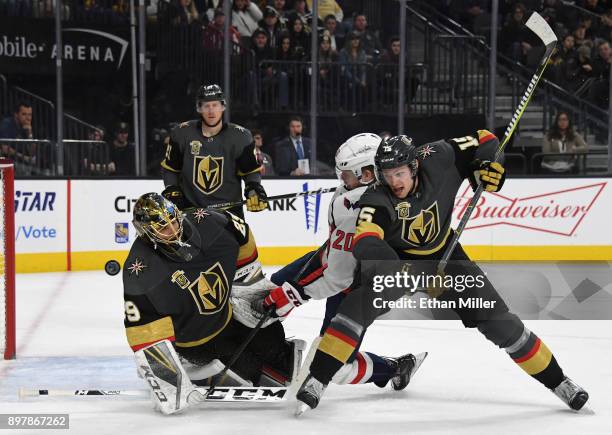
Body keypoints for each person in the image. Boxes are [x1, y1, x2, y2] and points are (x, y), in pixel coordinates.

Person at [292, 132, 589, 414]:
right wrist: (392, 268)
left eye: (399, 173)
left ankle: (559, 382)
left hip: (448, 259)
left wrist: (489, 166)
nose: (393, 181)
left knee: (502, 325)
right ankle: (318, 379)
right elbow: (366, 240)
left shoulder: (440, 156)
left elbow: (486, 139)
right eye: (387, 174)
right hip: (401, 263)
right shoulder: (376, 197)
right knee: (354, 308)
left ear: (414, 166)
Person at [261, 134, 427, 416]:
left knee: (337, 366)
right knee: (268, 291)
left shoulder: (367, 208)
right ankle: (266, 356)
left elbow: (338, 277)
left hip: (354, 287)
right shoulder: (357, 194)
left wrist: (292, 294)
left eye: (346, 175)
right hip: (334, 259)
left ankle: (395, 367)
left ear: (367, 173)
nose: (342, 180)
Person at [123, 193, 304, 414]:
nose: (173, 229)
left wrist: (247, 285)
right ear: (146, 233)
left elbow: (243, 236)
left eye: (173, 219)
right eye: (163, 227)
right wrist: (170, 382)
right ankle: (195, 368)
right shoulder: (141, 270)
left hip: (228, 317)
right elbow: (144, 334)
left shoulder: (210, 222)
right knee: (248, 368)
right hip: (195, 342)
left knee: (273, 338)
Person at [160, 84, 268, 217]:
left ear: (223, 106)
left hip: (229, 214)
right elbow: (170, 169)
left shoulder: (241, 136)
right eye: (206, 106)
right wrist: (172, 189)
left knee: (247, 239)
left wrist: (253, 189)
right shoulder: (181, 133)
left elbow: (250, 172)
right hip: (190, 213)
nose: (211, 111)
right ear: (199, 108)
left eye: (215, 105)